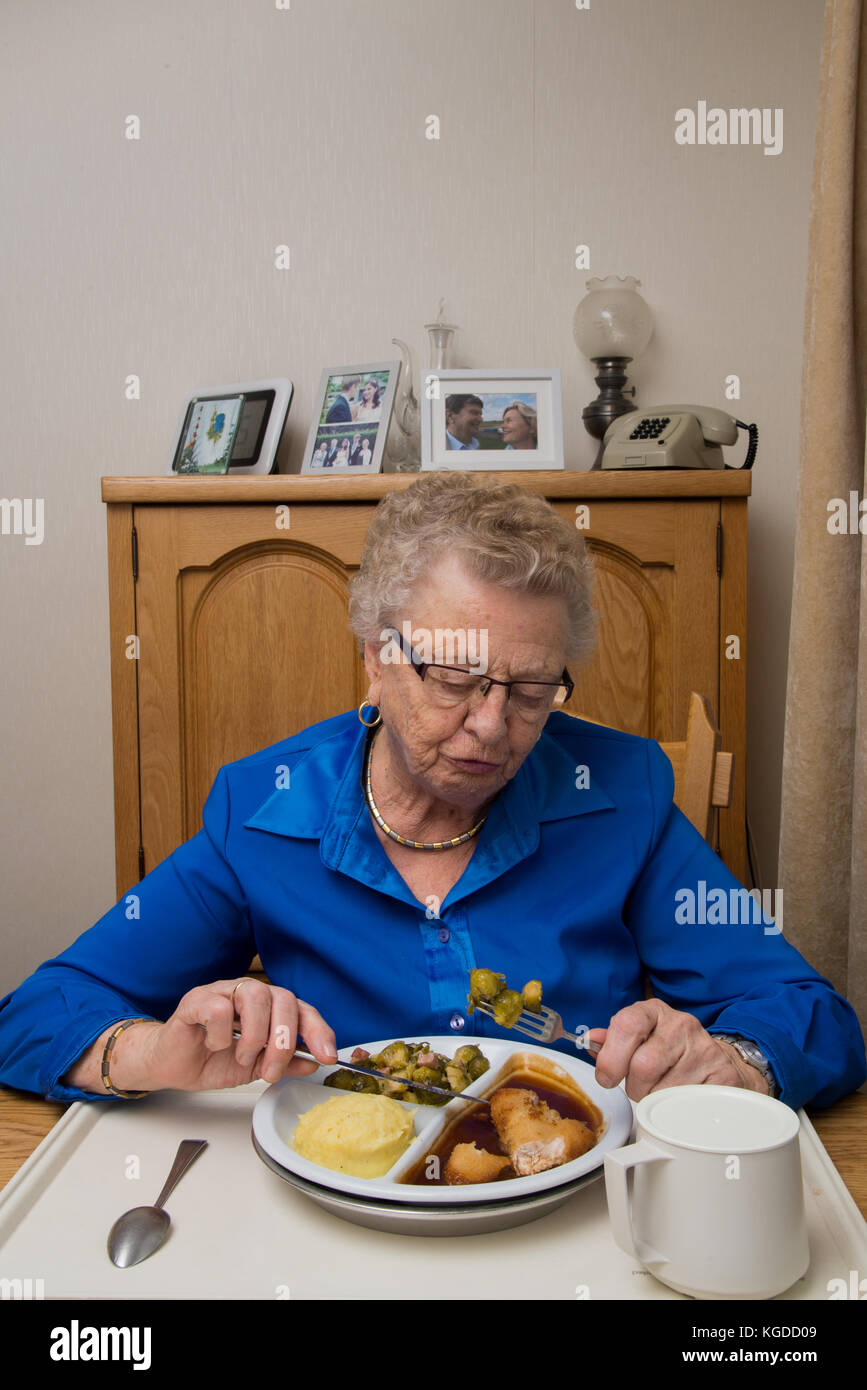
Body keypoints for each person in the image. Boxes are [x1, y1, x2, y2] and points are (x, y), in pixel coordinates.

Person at [0, 472, 863, 1110]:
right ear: (375, 657)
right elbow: (38, 1011)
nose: (492, 727)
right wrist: (158, 1054)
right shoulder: (263, 811)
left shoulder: (623, 796)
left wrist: (735, 1059)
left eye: (530, 692)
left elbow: (809, 1012)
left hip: (577, 1199)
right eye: (454, 678)